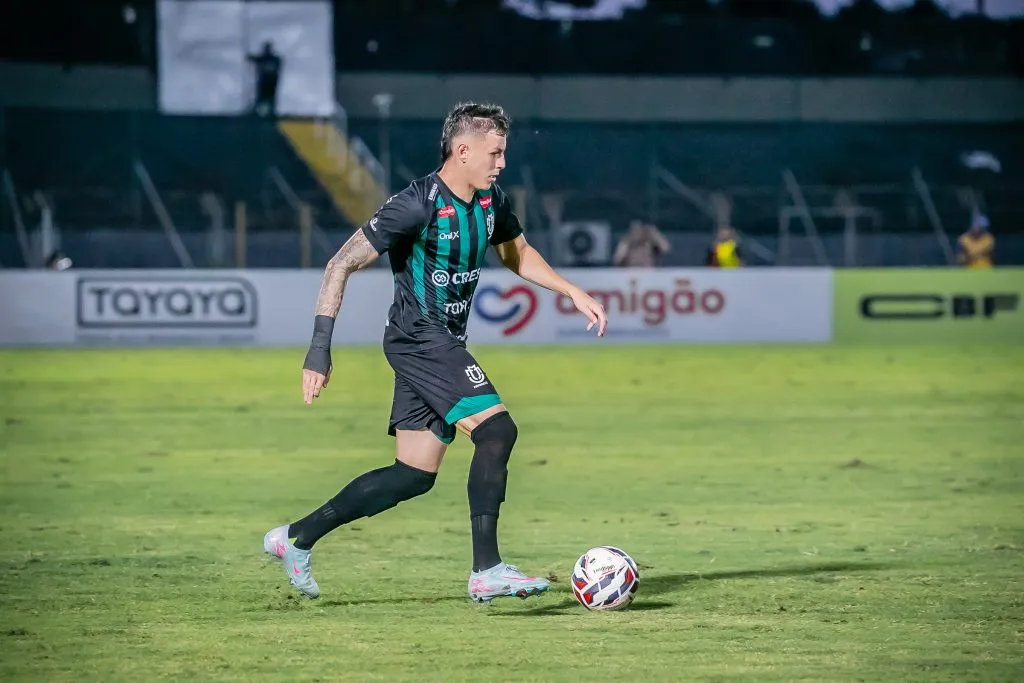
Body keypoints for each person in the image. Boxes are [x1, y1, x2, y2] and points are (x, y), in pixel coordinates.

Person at [263, 102, 608, 603]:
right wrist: (319, 349)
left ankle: (295, 538)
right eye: (495, 153)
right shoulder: (416, 204)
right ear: (462, 151)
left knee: (412, 475)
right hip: (419, 339)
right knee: (497, 430)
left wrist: (570, 290)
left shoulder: (491, 202)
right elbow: (340, 263)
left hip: (442, 342)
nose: (502, 163)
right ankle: (486, 570)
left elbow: (516, 252)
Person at [248, 41, 282, 117]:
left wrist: (250, 58)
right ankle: (269, 112)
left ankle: (263, 111)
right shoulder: (274, 59)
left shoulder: (266, 59)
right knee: (265, 97)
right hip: (270, 82)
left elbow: (255, 59)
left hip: (267, 81)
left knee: (264, 97)